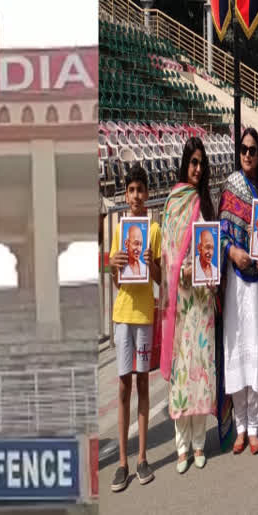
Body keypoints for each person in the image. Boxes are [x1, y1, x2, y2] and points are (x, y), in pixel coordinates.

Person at [220, 128, 258, 455]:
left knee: (257, 346)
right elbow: (220, 233)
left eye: (253, 150)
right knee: (236, 348)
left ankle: (255, 425)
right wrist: (232, 252)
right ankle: (240, 425)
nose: (247, 154)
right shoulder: (230, 187)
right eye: (244, 149)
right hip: (235, 282)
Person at [159, 138, 220, 474]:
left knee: (201, 370)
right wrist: (179, 268)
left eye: (201, 163)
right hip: (182, 300)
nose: (197, 169)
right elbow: (168, 247)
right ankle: (181, 444)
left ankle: (199, 442)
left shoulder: (204, 202)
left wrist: (206, 269)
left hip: (203, 300)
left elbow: (212, 243)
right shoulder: (174, 201)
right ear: (185, 164)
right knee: (183, 372)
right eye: (192, 162)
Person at [109, 165, 162, 491]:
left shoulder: (153, 231)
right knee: (122, 387)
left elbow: (158, 278)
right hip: (122, 314)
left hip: (144, 314)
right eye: (131, 190)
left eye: (141, 190)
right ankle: (122, 462)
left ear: (147, 193)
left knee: (142, 383)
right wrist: (112, 265)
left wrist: (151, 260)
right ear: (126, 194)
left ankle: (142, 457)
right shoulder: (120, 230)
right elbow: (117, 281)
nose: (136, 196)